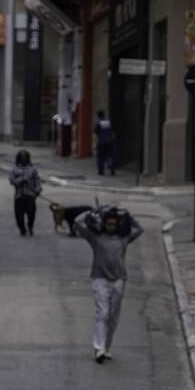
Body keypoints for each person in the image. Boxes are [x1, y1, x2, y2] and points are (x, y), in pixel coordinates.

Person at [74, 206, 144, 363]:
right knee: (103, 313)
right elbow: (77, 222)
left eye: (114, 224)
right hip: (100, 279)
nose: (111, 227)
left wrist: (128, 214)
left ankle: (106, 346)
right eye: (108, 224)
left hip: (119, 279)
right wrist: (92, 212)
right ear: (104, 224)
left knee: (113, 316)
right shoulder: (96, 238)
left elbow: (140, 229)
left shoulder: (123, 238)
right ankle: (98, 348)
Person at [9, 150, 43, 236]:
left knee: (31, 213)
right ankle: (22, 229)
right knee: (19, 216)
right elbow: (12, 180)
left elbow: (37, 180)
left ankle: (30, 227)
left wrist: (38, 189)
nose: (23, 159)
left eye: (25, 157)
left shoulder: (33, 168)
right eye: (22, 157)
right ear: (19, 158)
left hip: (30, 195)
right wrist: (20, 180)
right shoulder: (15, 168)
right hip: (19, 195)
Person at [94, 110, 117, 176]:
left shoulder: (98, 123)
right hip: (110, 142)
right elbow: (113, 131)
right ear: (104, 115)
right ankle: (112, 170)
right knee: (110, 156)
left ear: (98, 116)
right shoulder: (109, 122)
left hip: (101, 143)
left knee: (100, 157)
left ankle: (101, 171)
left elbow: (95, 131)